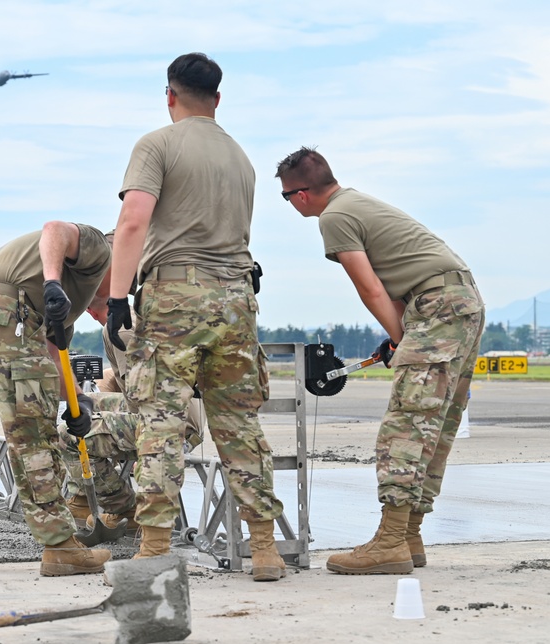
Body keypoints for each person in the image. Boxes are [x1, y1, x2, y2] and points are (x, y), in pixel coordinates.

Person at [107, 53, 287, 581]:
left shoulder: (157, 144)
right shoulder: (241, 157)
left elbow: (133, 218)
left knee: (160, 420)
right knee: (239, 424)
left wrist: (119, 295)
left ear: (170, 95)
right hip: (236, 299)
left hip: (175, 296)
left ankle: (155, 545)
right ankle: (266, 549)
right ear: (217, 98)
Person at [275, 146, 485, 574]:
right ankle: (409, 536)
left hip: (436, 306)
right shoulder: (357, 202)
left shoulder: (334, 216)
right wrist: (402, 337)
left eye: (285, 196)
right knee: (434, 424)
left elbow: (370, 288)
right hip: (459, 302)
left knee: (406, 425)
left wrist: (400, 336)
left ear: (300, 194)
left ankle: (390, 542)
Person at [0, 221, 113, 577]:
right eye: (123, 284)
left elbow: (51, 355)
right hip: (8, 315)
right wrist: (51, 283)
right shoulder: (100, 249)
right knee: (32, 437)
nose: (121, 292)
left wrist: (78, 404)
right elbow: (55, 230)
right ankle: (60, 545)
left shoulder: (64, 304)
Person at [59, 296, 206, 533]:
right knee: (79, 406)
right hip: (178, 413)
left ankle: (123, 508)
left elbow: (143, 394)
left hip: (169, 423)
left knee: (68, 434)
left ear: (89, 311)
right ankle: (81, 500)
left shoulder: (121, 328)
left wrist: (145, 446)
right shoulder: (133, 316)